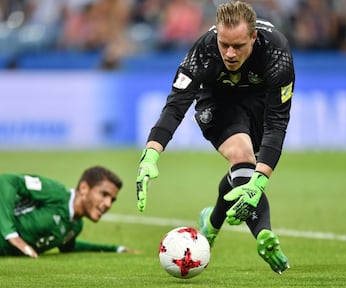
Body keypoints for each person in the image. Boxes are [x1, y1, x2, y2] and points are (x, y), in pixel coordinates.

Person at [136, 0, 294, 274]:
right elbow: (175, 105)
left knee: (246, 173)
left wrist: (260, 181)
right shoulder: (203, 51)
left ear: (253, 37)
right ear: (217, 36)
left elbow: (277, 123)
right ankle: (264, 235)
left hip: (257, 100)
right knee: (242, 158)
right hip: (217, 101)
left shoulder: (276, 54)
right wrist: (150, 155)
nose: (230, 53)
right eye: (224, 44)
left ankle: (212, 220)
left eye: (238, 46)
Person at [0, 165, 136, 258]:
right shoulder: (55, 192)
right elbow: (7, 181)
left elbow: (68, 247)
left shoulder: (76, 226)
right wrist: (11, 234)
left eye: (112, 200)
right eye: (104, 194)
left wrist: (115, 249)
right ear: (84, 188)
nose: (108, 204)